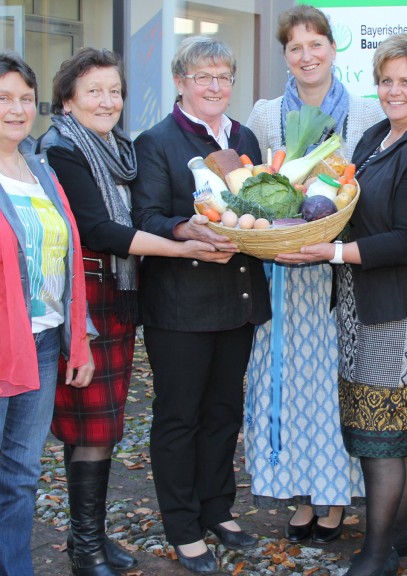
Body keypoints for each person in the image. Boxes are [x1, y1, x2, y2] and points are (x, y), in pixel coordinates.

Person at [278, 33, 407, 576]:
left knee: (389, 437)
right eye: (386, 80)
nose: (394, 91)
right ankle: (398, 532)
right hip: (364, 301)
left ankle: (377, 554)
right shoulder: (375, 137)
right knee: (385, 431)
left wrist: (332, 251)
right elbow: (348, 208)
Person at [38, 47, 227, 576]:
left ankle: (90, 540)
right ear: (68, 99)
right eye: (94, 90)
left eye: (115, 91)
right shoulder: (61, 150)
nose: (108, 100)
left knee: (106, 424)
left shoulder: (117, 149)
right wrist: (184, 245)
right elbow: (100, 230)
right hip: (86, 299)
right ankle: (85, 547)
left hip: (117, 296)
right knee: (90, 426)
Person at [243, 4, 383, 544]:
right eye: (295, 47)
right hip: (279, 274)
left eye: (316, 44)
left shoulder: (367, 114)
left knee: (331, 387)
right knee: (283, 384)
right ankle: (300, 492)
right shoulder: (263, 115)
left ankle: (332, 495)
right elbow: (254, 192)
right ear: (285, 55)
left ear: (332, 48)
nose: (307, 56)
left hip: (337, 273)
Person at [131, 36, 271, 576]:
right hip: (180, 306)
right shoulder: (158, 141)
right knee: (178, 417)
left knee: (222, 414)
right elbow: (145, 216)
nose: (214, 87)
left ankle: (217, 508)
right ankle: (183, 524)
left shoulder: (246, 138)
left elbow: (258, 208)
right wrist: (181, 227)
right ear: (181, 82)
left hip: (236, 300)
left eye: (223, 77)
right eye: (203, 77)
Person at [0, 52, 95, 576]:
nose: (16, 110)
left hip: (40, 342)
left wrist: (77, 337)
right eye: (3, 99)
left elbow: (69, 256)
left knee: (19, 476)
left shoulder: (39, 167)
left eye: (22, 99)